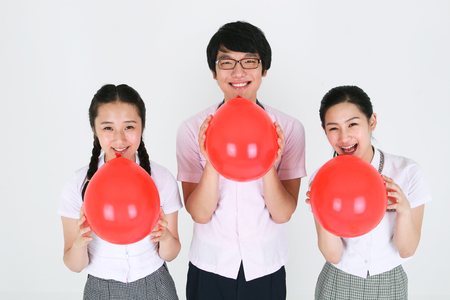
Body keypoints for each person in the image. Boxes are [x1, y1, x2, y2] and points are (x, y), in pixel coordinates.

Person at [176, 21, 306, 300]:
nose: (238, 72)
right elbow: (199, 213)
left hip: (265, 266)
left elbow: (283, 213)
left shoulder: (290, 128)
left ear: (264, 68)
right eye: (226, 62)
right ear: (214, 71)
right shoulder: (190, 129)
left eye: (249, 61)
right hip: (209, 266)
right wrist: (212, 159)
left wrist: (268, 162)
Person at [306, 85, 432, 299]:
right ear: (324, 130)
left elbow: (407, 250)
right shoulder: (321, 179)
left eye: (352, 124)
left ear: (371, 121)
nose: (344, 138)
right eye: (333, 128)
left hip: (389, 283)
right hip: (338, 281)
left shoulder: (408, 172)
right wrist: (322, 212)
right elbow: (333, 255)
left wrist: (404, 210)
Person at [58, 84, 182, 300]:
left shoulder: (162, 179)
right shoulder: (77, 185)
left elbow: (170, 254)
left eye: (129, 127)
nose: (119, 139)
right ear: (95, 130)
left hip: (156, 284)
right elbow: (74, 265)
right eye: (107, 128)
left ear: (142, 127)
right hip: (100, 289)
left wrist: (165, 236)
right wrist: (79, 242)